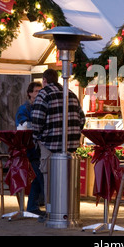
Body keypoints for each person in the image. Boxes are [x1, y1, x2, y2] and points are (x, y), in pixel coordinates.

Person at [31, 69, 85, 204]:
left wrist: (38, 137)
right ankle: (67, 208)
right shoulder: (71, 93)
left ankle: (52, 211)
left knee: (49, 178)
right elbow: (82, 119)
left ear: (44, 80)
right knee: (67, 178)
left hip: (50, 143)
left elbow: (37, 120)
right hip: (70, 146)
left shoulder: (43, 94)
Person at [15, 81, 44, 216]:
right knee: (39, 175)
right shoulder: (24, 108)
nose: (39, 94)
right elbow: (22, 124)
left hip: (38, 147)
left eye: (40, 91)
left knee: (39, 176)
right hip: (29, 148)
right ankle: (32, 205)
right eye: (36, 91)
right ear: (30, 93)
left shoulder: (41, 107)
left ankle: (33, 205)